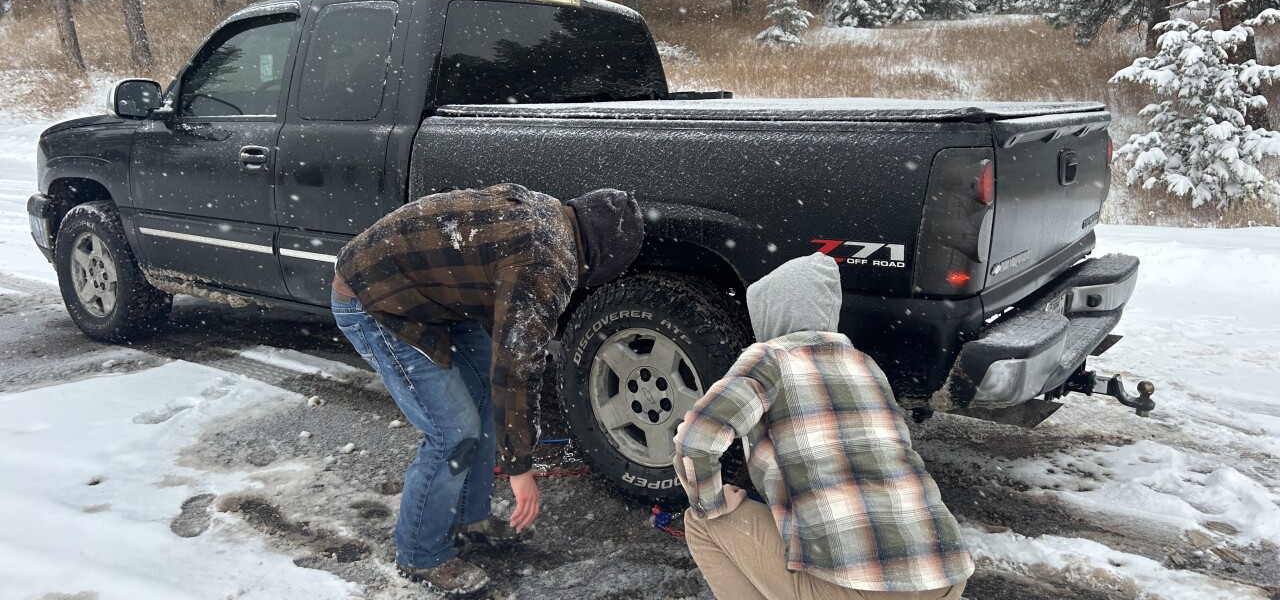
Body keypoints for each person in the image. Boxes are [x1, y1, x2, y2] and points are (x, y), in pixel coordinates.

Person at [331, 183, 643, 596]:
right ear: (601, 258)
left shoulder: (551, 216)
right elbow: (516, 368)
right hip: (377, 301)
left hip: (429, 295)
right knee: (451, 434)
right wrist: (520, 469)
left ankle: (469, 519)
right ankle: (421, 556)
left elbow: (505, 358)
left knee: (482, 406)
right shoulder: (546, 264)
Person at [673, 253, 973, 600]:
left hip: (855, 585)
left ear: (767, 315)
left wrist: (711, 502)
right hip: (943, 575)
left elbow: (697, 439)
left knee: (701, 524)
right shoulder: (865, 365)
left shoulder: (770, 357)